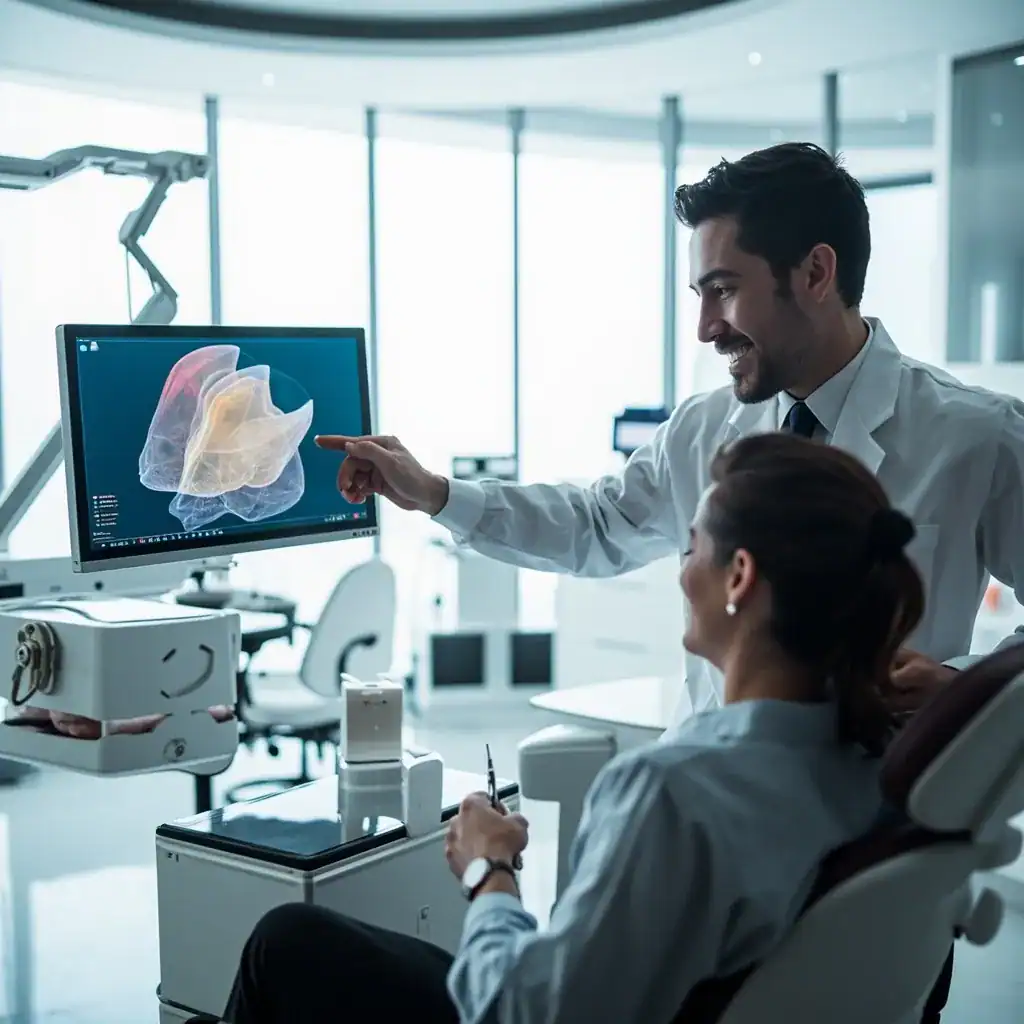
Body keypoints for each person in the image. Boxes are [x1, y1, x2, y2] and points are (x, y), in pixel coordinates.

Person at [313, 142, 1022, 1021]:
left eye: (722, 289)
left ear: (815, 271)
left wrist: (961, 700)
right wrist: (438, 496)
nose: (706, 326)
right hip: (716, 848)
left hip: (857, 856)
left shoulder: (975, 436)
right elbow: (598, 524)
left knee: (294, 953)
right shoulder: (706, 426)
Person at [210, 433, 925, 1024]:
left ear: (738, 577)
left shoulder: (671, 792)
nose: (679, 574)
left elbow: (521, 1013)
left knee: (288, 941)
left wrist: (490, 871)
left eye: (691, 547)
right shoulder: (879, 766)